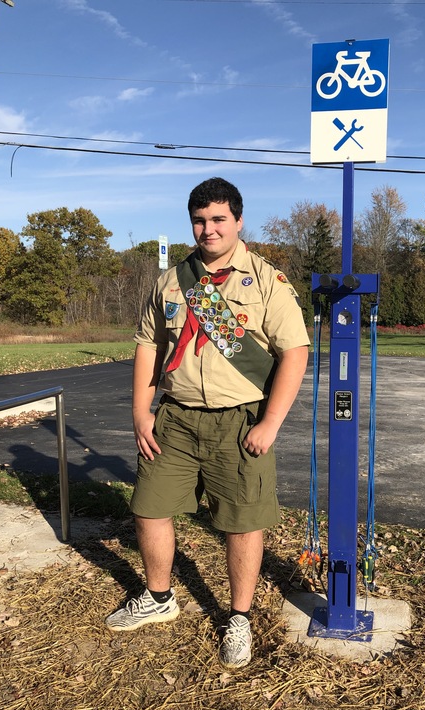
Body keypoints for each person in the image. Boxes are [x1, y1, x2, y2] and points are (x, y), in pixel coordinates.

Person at [105, 177, 310, 669]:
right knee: (149, 508)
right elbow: (148, 344)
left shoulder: (266, 281)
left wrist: (271, 423)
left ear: (238, 221)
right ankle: (158, 597)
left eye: (218, 219)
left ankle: (238, 617)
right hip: (174, 419)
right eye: (199, 220)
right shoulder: (171, 281)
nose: (208, 229)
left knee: (242, 523)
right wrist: (140, 411)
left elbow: (295, 353)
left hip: (240, 422)